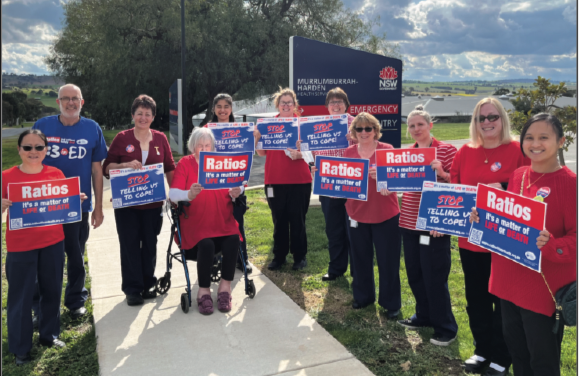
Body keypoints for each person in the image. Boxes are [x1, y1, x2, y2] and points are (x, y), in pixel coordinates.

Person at [470, 113, 576, 376]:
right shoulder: (518, 176)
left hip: (543, 290)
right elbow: (509, 219)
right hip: (508, 283)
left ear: (561, 141)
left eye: (544, 137)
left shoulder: (571, 184)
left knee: (542, 362)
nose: (535, 143)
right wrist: (483, 217)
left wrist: (551, 245)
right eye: (529, 137)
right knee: (518, 354)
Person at [450, 97, 529, 376]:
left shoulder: (518, 150)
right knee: (476, 298)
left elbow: (533, 188)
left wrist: (504, 186)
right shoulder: (465, 152)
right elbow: (455, 189)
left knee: (503, 301)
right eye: (481, 118)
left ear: (502, 119)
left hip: (505, 241)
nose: (486, 123)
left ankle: (501, 356)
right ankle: (482, 350)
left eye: (492, 117)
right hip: (471, 239)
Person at [2, 130, 86, 365]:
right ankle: (21, 348)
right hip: (21, 247)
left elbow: (63, 204)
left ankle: (49, 335)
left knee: (52, 290)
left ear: (46, 150)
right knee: (20, 296)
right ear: (19, 150)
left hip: (52, 243)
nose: (33, 152)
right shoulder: (6, 177)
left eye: (39, 147)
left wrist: (73, 199)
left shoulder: (56, 173)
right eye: (27, 147)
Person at [32, 84, 108, 319]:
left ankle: (75, 300)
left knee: (75, 255)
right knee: (42, 258)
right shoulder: (42, 126)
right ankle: (40, 307)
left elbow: (97, 171)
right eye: (65, 98)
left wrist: (98, 207)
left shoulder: (92, 128)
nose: (70, 103)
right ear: (58, 102)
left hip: (78, 206)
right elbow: (30, 162)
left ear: (82, 102)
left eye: (75, 98)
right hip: (44, 206)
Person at [102, 95, 176, 306]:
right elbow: (106, 168)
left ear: (153, 116)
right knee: (130, 245)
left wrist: (174, 193)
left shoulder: (161, 138)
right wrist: (124, 166)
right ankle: (132, 289)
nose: (143, 117)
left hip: (152, 204)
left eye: (148, 114)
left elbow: (169, 167)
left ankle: (148, 283)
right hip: (127, 204)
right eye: (139, 113)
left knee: (150, 244)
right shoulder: (122, 138)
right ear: (133, 115)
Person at [397, 105, 459, 346]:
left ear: (430, 125)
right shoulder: (407, 153)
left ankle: (446, 327)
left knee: (435, 276)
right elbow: (396, 180)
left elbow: (459, 184)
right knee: (415, 273)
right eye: (411, 126)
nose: (415, 129)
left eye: (420, 124)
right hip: (409, 221)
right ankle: (423, 315)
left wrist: (443, 173)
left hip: (434, 223)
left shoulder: (446, 150)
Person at [169, 128, 242, 315]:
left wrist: (237, 191)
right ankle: (203, 291)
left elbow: (238, 183)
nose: (203, 148)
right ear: (193, 146)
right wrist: (189, 194)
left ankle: (225, 288)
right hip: (196, 224)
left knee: (233, 239)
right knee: (207, 244)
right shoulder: (185, 163)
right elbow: (173, 194)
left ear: (212, 146)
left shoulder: (221, 162)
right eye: (199, 145)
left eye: (207, 145)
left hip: (222, 220)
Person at [342, 112, 401, 317]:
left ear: (376, 131)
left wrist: (386, 179)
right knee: (359, 259)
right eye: (359, 129)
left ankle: (391, 303)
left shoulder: (388, 150)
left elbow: (400, 179)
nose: (364, 132)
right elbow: (342, 181)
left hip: (385, 213)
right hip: (356, 213)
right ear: (354, 132)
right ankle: (363, 297)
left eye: (369, 128)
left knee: (388, 260)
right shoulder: (348, 153)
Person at [253, 88, 312, 271]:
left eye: (289, 102)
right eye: (283, 102)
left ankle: (299, 256)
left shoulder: (303, 124)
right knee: (279, 219)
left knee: (298, 220)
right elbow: (261, 153)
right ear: (277, 105)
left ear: (295, 105)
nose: (286, 105)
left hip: (300, 180)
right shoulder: (267, 125)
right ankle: (279, 256)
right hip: (275, 179)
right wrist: (256, 139)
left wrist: (301, 154)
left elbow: (312, 153)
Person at [312, 87, 355, 281]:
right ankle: (336, 268)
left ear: (346, 105)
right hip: (328, 186)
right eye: (332, 102)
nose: (335, 105)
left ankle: (357, 271)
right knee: (333, 229)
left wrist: (355, 141)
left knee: (354, 231)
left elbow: (371, 149)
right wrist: (313, 166)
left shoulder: (357, 123)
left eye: (339, 102)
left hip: (351, 186)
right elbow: (312, 154)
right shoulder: (319, 125)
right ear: (327, 106)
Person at [206, 93, 252, 273]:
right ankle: (214, 260)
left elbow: (247, 161)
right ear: (214, 109)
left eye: (226, 106)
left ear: (231, 109)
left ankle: (242, 259)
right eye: (219, 106)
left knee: (237, 224)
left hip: (235, 185)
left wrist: (241, 187)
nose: (223, 110)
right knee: (213, 224)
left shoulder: (242, 130)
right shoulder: (206, 130)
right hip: (213, 185)